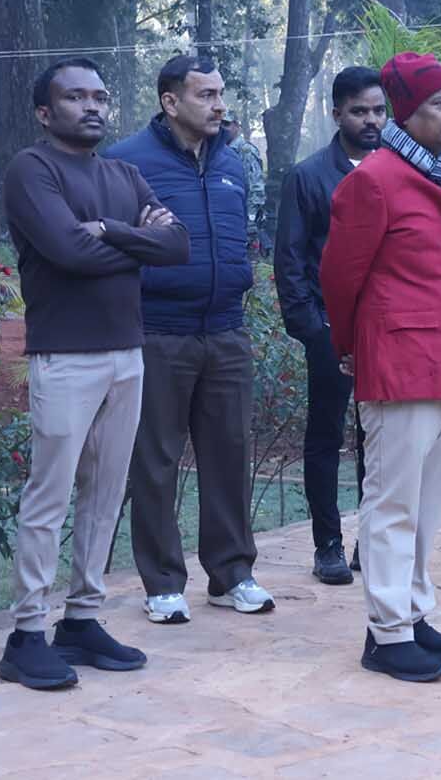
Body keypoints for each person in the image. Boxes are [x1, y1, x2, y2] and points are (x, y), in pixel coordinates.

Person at [0, 57, 189, 689]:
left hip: (126, 355)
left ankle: (81, 619)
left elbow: (178, 246)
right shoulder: (32, 170)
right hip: (65, 356)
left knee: (106, 494)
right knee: (50, 496)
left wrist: (108, 229)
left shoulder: (124, 175)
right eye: (75, 97)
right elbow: (67, 251)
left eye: (99, 97)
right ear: (45, 112)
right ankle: (26, 634)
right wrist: (136, 241)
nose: (92, 106)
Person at [320, 52, 441, 682]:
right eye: (440, 103)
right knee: (392, 506)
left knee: (428, 506)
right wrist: (349, 347)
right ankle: (387, 633)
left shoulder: (438, 177)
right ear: (407, 113)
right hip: (399, 366)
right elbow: (340, 278)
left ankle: (413, 613)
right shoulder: (375, 179)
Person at [106, 55, 272, 624]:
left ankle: (232, 575)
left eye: (220, 94)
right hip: (158, 332)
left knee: (230, 455)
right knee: (155, 461)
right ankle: (161, 583)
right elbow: (112, 244)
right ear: (170, 102)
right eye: (206, 95)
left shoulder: (232, 161)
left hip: (225, 331)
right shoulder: (127, 162)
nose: (219, 105)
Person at [274, 65, 387, 585]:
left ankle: (373, 541)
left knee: (380, 440)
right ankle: (328, 547)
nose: (371, 120)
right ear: (337, 113)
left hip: (385, 330)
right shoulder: (309, 176)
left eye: (379, 110)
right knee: (326, 437)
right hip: (329, 329)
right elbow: (290, 259)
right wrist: (313, 330)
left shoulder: (397, 170)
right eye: (359, 111)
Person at [223, 112, 267, 250]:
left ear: (236, 126)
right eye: (220, 124)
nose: (222, 128)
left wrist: (251, 219)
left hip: (245, 217)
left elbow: (256, 187)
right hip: (230, 214)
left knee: (248, 255)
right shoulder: (220, 149)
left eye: (227, 124)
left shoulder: (245, 150)